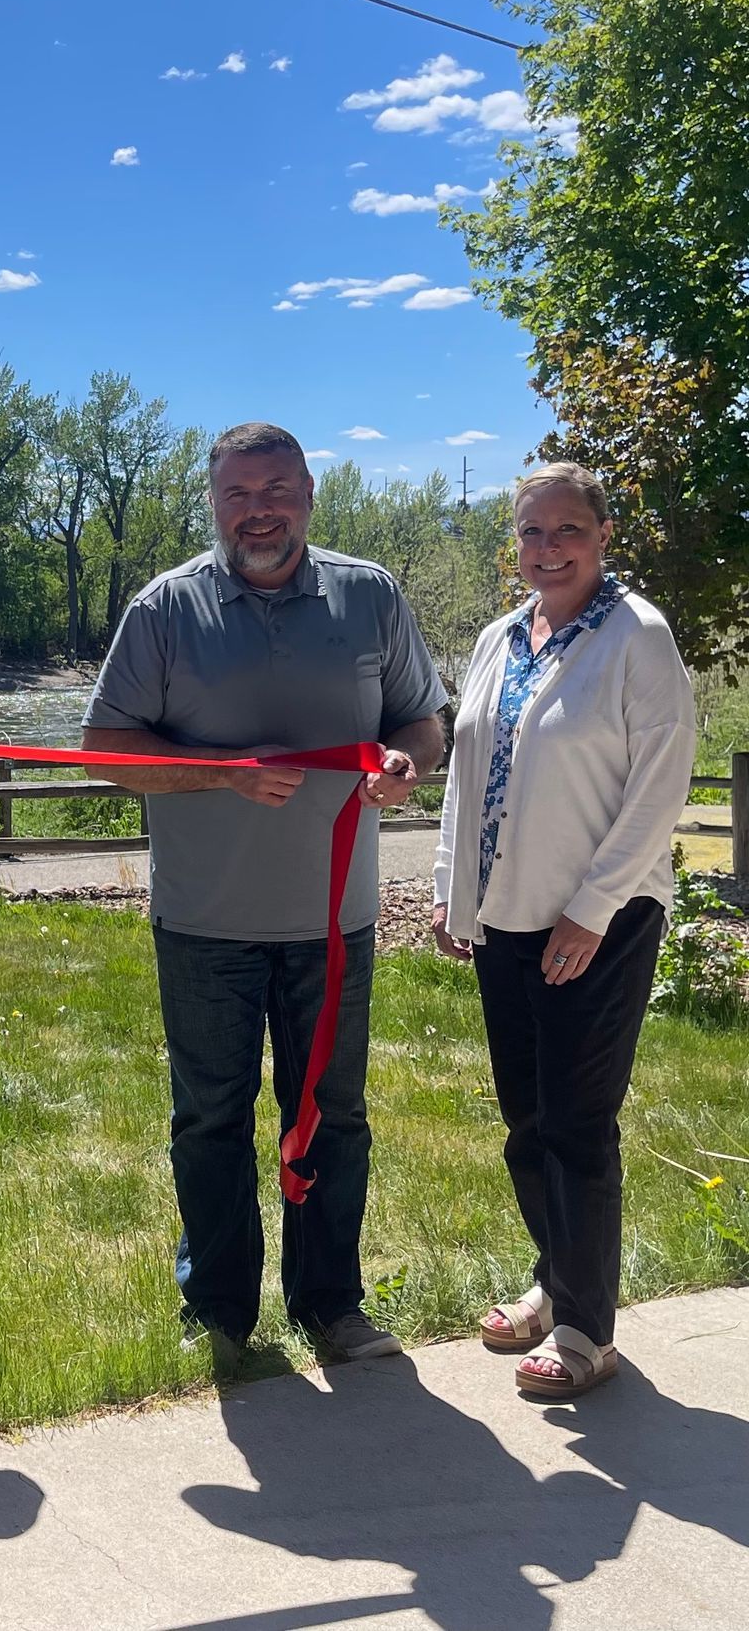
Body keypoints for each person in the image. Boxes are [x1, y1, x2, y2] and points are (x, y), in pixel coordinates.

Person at [83, 421, 447, 1369]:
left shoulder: (370, 596)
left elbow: (422, 717)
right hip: (206, 920)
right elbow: (105, 754)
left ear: (308, 496)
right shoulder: (165, 609)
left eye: (277, 489)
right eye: (239, 493)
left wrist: (407, 760)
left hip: (336, 920)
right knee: (209, 1116)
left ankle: (330, 1301)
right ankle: (219, 1309)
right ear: (214, 502)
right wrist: (222, 772)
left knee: (333, 1110)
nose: (260, 510)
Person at [432, 461, 696, 1398]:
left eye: (566, 531)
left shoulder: (638, 638)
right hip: (508, 918)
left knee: (579, 1125)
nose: (547, 549)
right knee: (526, 1120)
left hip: (601, 921)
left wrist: (592, 909)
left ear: (603, 534)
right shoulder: (501, 636)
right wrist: (452, 890)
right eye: (532, 533)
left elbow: (661, 784)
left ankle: (588, 1329)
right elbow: (466, 770)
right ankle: (554, 1282)